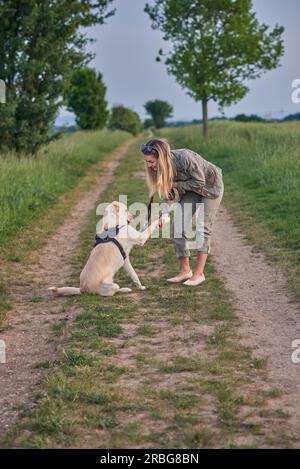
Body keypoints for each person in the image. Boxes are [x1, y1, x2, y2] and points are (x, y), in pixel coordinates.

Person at [140, 138, 224, 286]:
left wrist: (175, 184)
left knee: (202, 226)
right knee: (177, 225)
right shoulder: (160, 169)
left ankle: (199, 274)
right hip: (191, 189)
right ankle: (185, 270)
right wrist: (164, 213)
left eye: (152, 162)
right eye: (147, 162)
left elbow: (200, 182)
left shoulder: (184, 157)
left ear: (162, 158)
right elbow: (168, 194)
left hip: (210, 186)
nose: (150, 165)